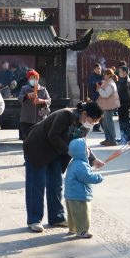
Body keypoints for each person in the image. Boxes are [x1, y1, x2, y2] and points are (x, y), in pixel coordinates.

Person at [22, 102, 106, 232]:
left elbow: (81, 144)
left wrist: (93, 160)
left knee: (55, 184)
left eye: (96, 122)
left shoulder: (84, 125)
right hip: (37, 148)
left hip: (56, 151)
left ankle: (56, 217)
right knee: (36, 185)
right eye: (93, 120)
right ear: (84, 114)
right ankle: (34, 220)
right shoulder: (65, 115)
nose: (93, 124)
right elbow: (53, 135)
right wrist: (69, 151)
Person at [64, 137, 104, 238]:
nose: (89, 150)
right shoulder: (81, 165)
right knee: (82, 215)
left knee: (72, 214)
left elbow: (83, 173)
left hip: (70, 195)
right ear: (82, 152)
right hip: (79, 195)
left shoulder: (74, 162)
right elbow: (87, 177)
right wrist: (98, 177)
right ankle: (82, 230)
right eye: (87, 149)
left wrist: (92, 168)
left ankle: (72, 228)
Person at [17, 69, 50, 140]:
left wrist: (42, 101)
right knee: (27, 139)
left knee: (39, 138)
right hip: (27, 119)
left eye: (35, 78)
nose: (34, 80)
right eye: (31, 78)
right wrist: (27, 96)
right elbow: (19, 98)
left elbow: (49, 101)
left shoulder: (43, 89)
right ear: (28, 80)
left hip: (40, 118)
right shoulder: (24, 89)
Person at [96, 68, 120, 146]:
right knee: (105, 123)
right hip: (106, 106)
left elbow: (105, 95)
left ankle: (112, 140)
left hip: (109, 106)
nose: (104, 76)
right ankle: (107, 139)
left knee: (109, 123)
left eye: (105, 74)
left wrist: (99, 89)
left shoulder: (111, 84)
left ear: (109, 75)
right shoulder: (107, 82)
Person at [116, 64, 130, 143]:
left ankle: (128, 137)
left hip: (125, 104)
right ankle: (124, 137)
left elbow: (127, 95)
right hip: (121, 103)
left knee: (125, 121)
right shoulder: (121, 80)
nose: (119, 73)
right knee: (122, 121)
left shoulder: (127, 82)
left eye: (120, 71)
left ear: (125, 72)